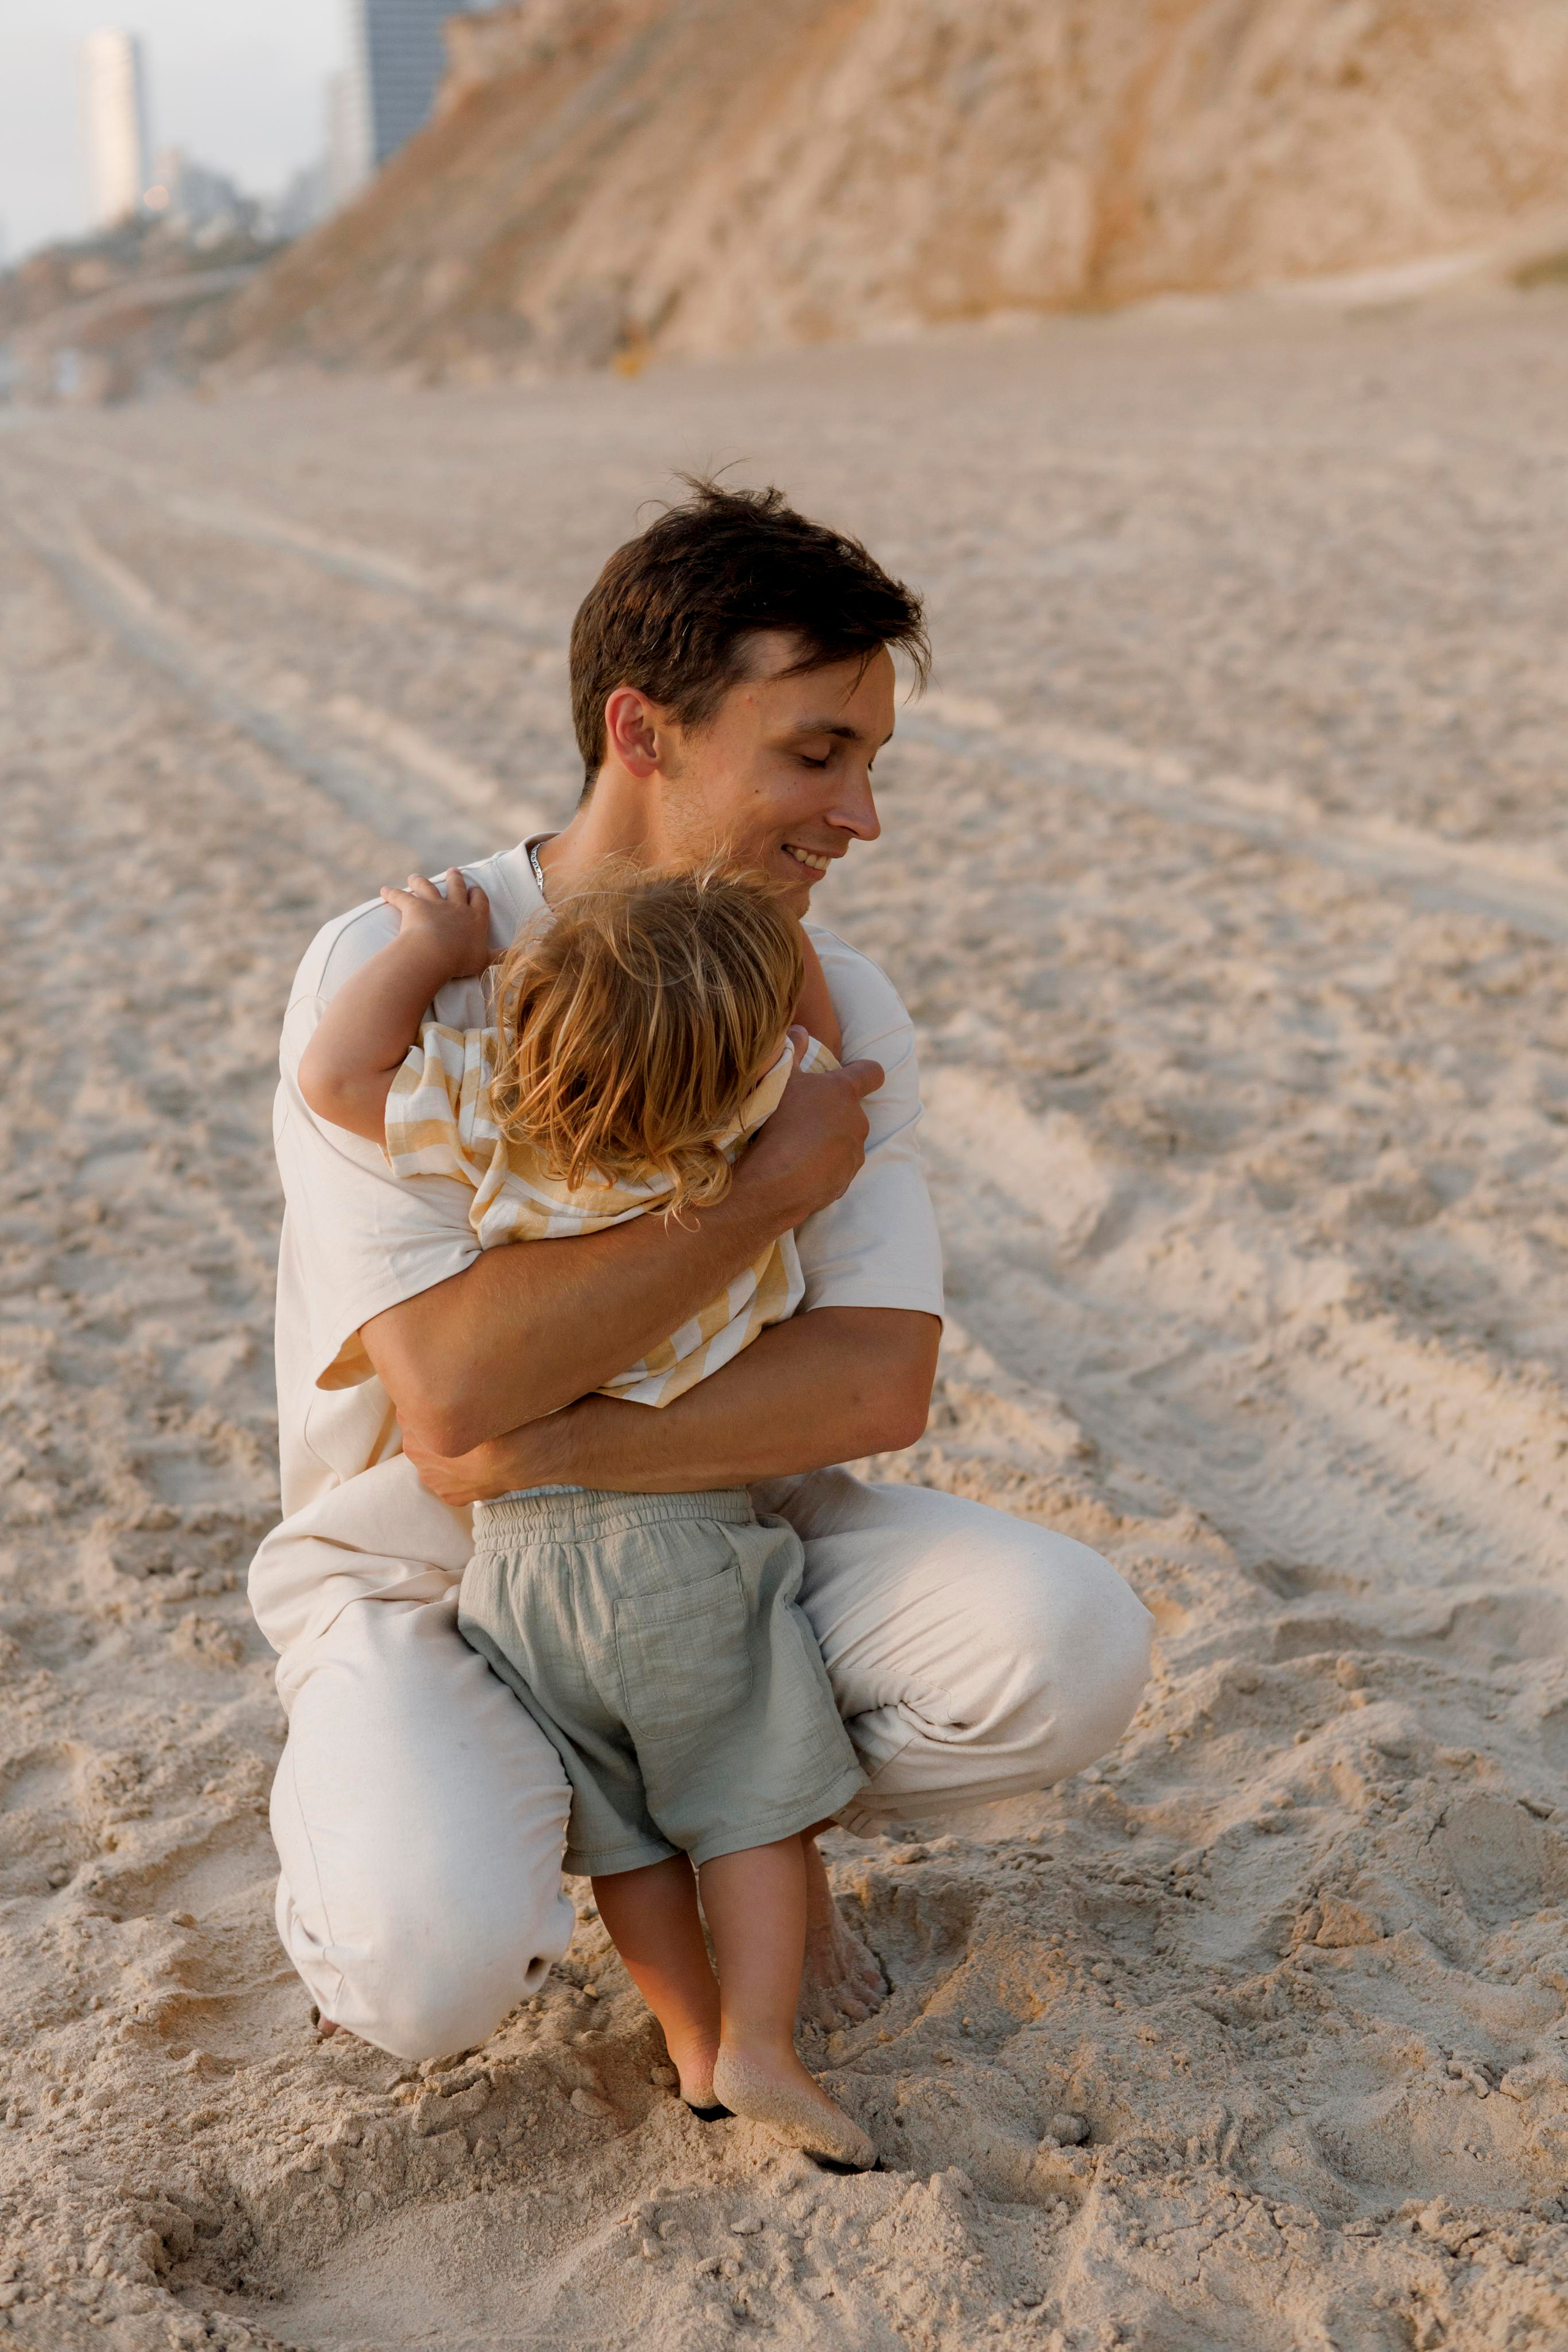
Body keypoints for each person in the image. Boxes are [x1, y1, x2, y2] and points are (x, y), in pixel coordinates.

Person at [249, 479, 1153, 2065]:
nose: (860, 817)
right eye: (817, 753)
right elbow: (446, 1392)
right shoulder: (409, 978)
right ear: (642, 732)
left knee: (1066, 1645)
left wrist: (547, 1442)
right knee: (430, 1974)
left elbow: (877, 1384)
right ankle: (422, 1816)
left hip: (732, 1553)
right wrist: (758, 1203)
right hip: (430, 1580)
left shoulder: (837, 1006)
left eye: (871, 762)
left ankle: (736, 1808)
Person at [295, 859, 876, 2165]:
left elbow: (333, 1076)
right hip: (685, 1538)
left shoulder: (495, 1119)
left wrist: (426, 948)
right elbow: (827, 1063)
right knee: (746, 1808)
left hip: (515, 1567)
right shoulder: (747, 1127)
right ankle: (762, 2044)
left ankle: (686, 2044)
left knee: (626, 1839)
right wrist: (781, 944)